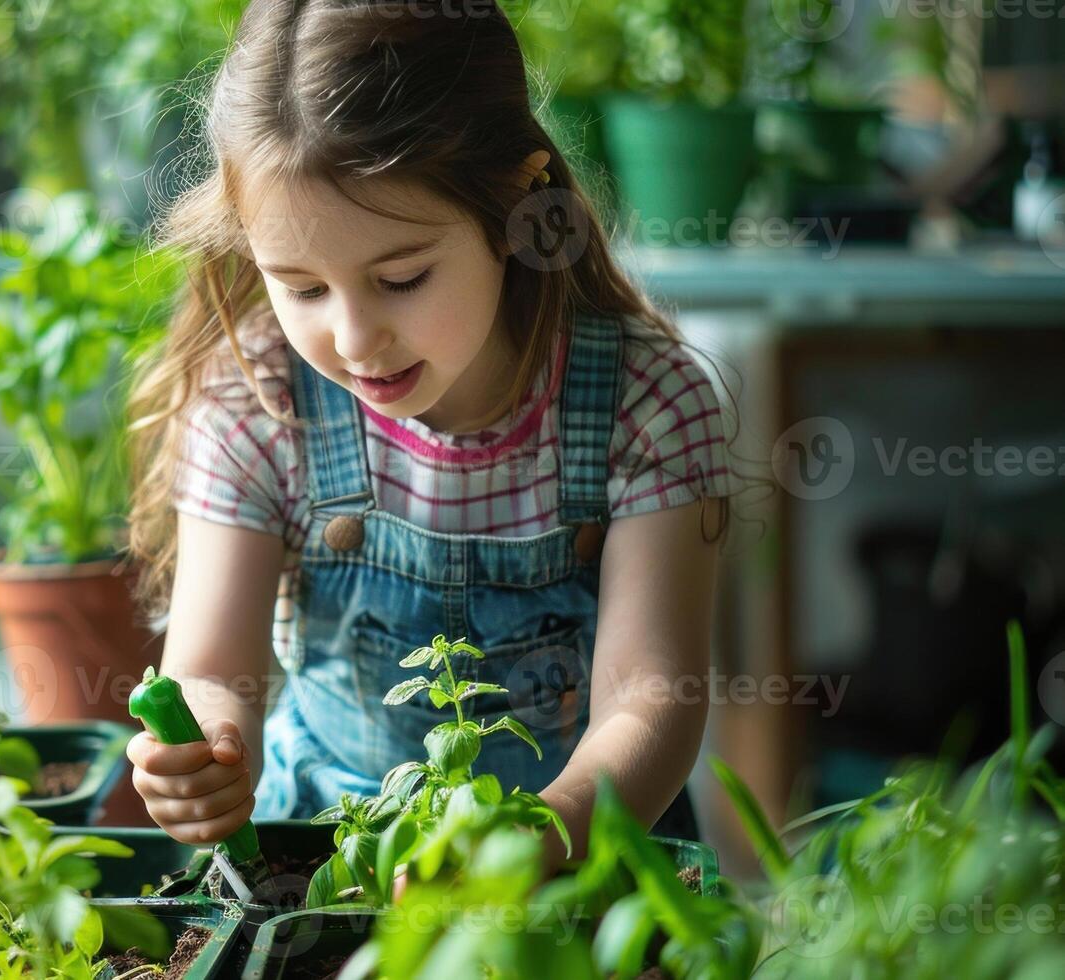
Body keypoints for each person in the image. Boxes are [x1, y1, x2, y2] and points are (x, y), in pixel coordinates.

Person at [123, 0, 734, 872]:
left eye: (401, 278)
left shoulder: (647, 402)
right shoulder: (258, 402)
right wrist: (206, 749)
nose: (354, 337)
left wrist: (537, 842)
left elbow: (650, 699)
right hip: (326, 855)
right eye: (300, 288)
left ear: (519, 206)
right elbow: (212, 669)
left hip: (585, 859)